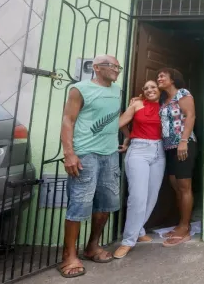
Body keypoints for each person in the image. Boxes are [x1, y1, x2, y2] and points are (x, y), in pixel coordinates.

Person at [58, 55, 123, 278]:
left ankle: (92, 246)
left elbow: (113, 118)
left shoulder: (117, 91)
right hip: (86, 154)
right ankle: (69, 255)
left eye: (118, 66)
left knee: (106, 203)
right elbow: (68, 120)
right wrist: (69, 154)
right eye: (112, 66)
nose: (116, 69)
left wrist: (125, 138)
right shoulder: (80, 89)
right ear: (96, 68)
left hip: (110, 154)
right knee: (79, 203)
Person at [112, 80, 165, 259]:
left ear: (160, 90)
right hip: (139, 151)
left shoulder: (165, 106)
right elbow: (119, 123)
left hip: (160, 151)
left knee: (152, 195)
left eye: (153, 87)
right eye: (146, 88)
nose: (149, 90)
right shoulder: (136, 104)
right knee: (137, 196)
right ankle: (128, 241)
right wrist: (129, 137)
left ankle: (139, 230)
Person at [157, 68, 198, 247]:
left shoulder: (182, 93)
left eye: (162, 76)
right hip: (169, 147)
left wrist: (183, 140)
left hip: (184, 144)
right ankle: (181, 222)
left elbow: (191, 115)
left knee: (184, 186)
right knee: (175, 184)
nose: (159, 78)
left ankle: (185, 227)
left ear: (172, 79)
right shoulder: (163, 101)